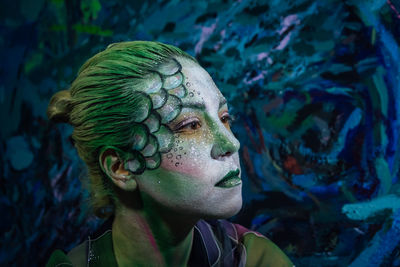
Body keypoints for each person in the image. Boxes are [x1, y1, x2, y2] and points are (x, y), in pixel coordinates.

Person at [46, 41, 293, 267]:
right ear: (121, 166)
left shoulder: (253, 259)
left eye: (224, 118)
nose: (231, 143)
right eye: (191, 125)